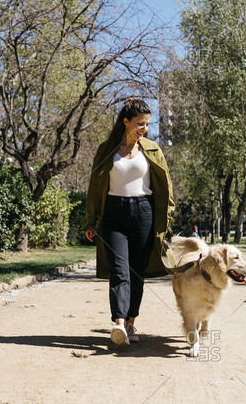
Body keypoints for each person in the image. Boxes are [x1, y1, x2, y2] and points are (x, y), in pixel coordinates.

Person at [85, 98, 174, 347]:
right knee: (119, 270)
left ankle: (131, 321)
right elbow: (94, 187)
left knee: (137, 273)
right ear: (126, 122)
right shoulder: (106, 150)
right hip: (114, 214)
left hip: (144, 212)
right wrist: (91, 221)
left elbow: (166, 187)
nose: (144, 128)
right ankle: (119, 324)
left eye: (146, 124)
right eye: (139, 124)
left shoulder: (152, 149)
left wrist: (166, 220)